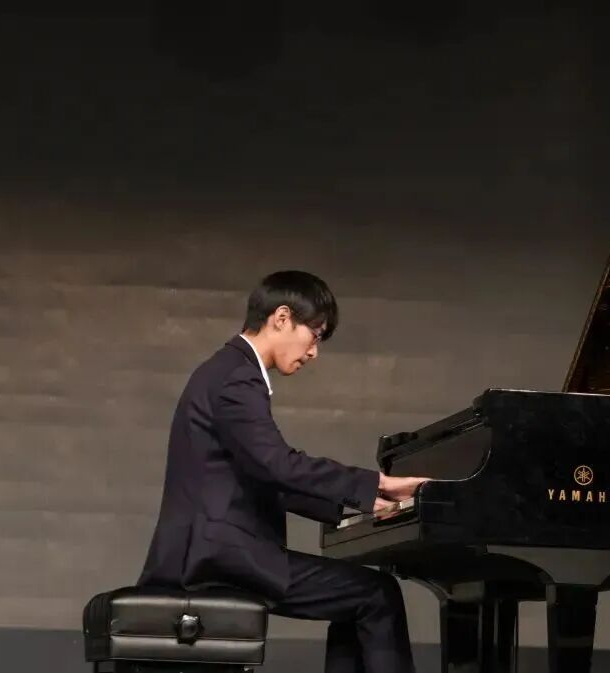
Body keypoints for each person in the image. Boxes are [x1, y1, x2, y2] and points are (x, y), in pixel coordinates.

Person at [138, 270, 428, 673]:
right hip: (217, 559)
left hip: (210, 550)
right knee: (376, 595)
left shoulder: (226, 371)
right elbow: (278, 464)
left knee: (362, 596)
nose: (314, 352)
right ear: (281, 318)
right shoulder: (236, 379)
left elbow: (264, 474)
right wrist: (374, 483)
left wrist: (366, 503)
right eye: (315, 335)